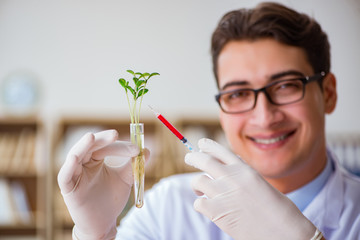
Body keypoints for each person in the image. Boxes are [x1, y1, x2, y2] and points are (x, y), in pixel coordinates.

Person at [58, 2, 360, 240]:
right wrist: (95, 235)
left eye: (285, 86)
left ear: (329, 93)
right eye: (239, 93)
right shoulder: (169, 207)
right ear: (221, 108)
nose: (264, 117)